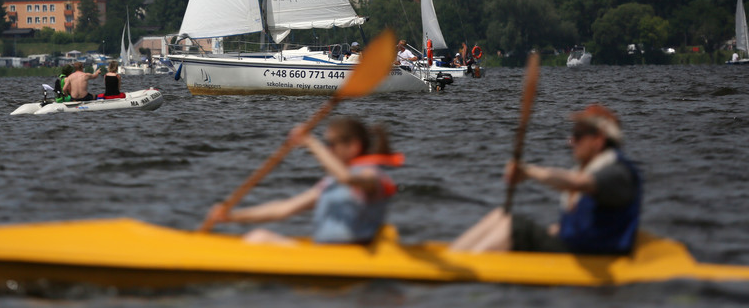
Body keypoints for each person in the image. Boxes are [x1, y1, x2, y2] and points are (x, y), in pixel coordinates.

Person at [450, 104, 641, 255]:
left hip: (595, 255)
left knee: (515, 227)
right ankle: (454, 258)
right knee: (501, 216)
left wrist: (528, 172)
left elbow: (575, 182)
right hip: (579, 247)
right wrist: (549, 232)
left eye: (578, 135)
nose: (571, 141)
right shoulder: (595, 169)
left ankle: (461, 269)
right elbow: (583, 221)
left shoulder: (617, 173)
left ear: (598, 140)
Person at [205, 116, 403, 245]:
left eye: (330, 144)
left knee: (258, 239)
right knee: (259, 236)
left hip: (351, 257)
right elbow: (282, 209)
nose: (328, 149)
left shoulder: (371, 176)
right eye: (326, 144)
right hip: (326, 254)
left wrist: (311, 143)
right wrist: (231, 216)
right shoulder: (331, 183)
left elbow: (347, 178)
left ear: (353, 147)